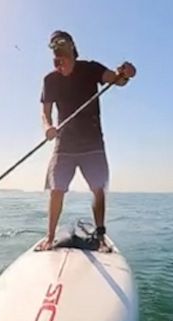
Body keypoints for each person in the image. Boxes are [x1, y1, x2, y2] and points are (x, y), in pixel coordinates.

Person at [38, 29, 136, 251]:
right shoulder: (50, 79)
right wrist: (48, 127)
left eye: (61, 45)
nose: (57, 51)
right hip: (64, 144)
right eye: (53, 46)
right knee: (56, 190)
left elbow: (117, 80)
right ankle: (50, 237)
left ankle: (100, 237)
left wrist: (127, 73)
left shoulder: (91, 69)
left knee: (98, 188)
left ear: (72, 46)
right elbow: (45, 112)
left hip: (92, 144)